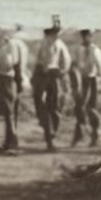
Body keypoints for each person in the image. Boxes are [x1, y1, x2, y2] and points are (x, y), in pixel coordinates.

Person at [32, 23, 71, 151]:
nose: (53, 36)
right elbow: (36, 60)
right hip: (41, 75)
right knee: (40, 104)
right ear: (48, 33)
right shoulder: (42, 44)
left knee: (52, 106)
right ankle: (48, 131)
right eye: (51, 33)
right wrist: (36, 75)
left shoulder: (60, 45)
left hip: (52, 75)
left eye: (55, 33)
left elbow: (66, 61)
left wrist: (61, 72)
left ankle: (51, 132)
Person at [71, 28, 101, 146]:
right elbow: (75, 64)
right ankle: (79, 135)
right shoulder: (79, 49)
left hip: (93, 80)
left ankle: (95, 135)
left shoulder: (95, 50)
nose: (86, 38)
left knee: (90, 108)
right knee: (79, 107)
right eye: (84, 36)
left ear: (91, 37)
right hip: (82, 80)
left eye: (88, 36)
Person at [0, 30, 25, 151]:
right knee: (9, 111)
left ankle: (12, 140)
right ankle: (10, 139)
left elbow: (10, 65)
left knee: (9, 111)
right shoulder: (4, 50)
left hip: (7, 80)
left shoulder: (7, 50)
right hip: (6, 80)